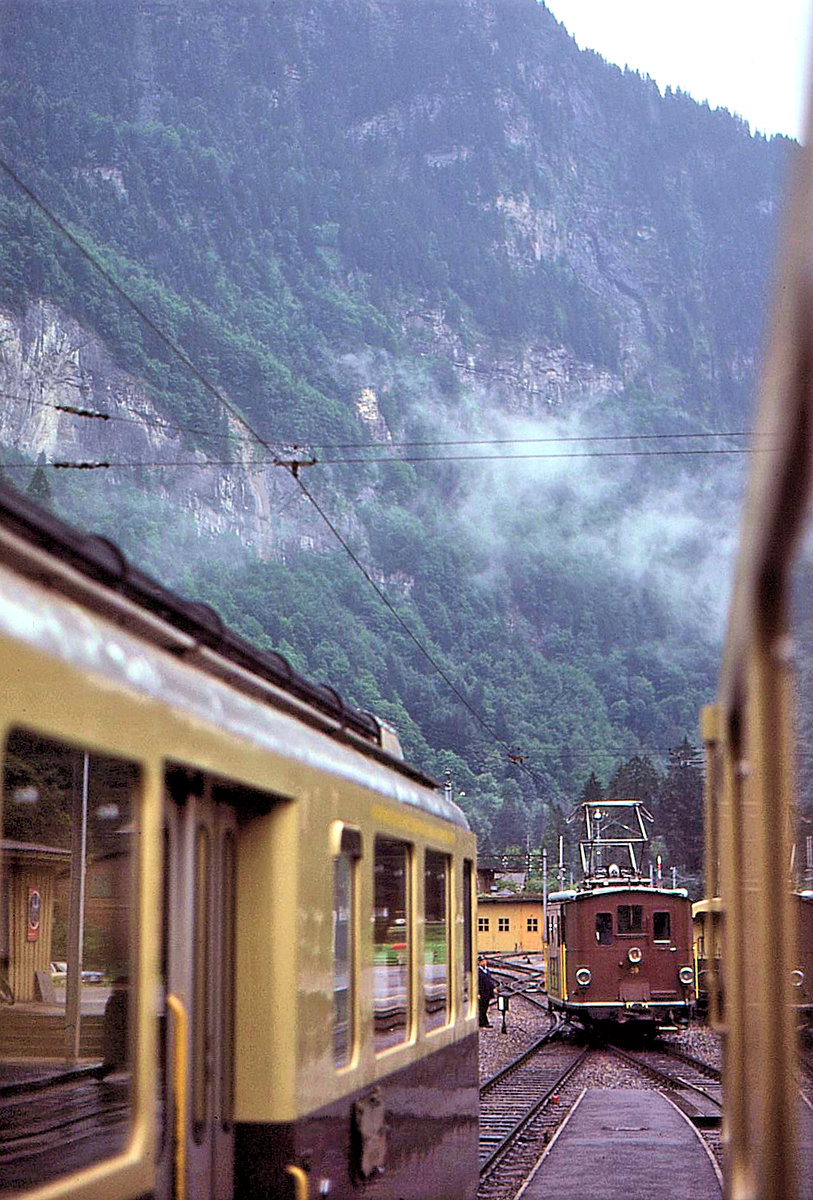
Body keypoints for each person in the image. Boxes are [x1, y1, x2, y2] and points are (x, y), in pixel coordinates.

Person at [478, 957, 496, 1028]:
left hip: (487, 992)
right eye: (482, 961)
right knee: (482, 1008)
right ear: (479, 963)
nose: (484, 962)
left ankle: (481, 1022)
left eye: (484, 961)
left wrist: (493, 987)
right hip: (482, 992)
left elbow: (490, 980)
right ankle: (485, 1022)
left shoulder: (487, 970)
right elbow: (476, 983)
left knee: (485, 1007)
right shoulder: (478, 972)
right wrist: (477, 993)